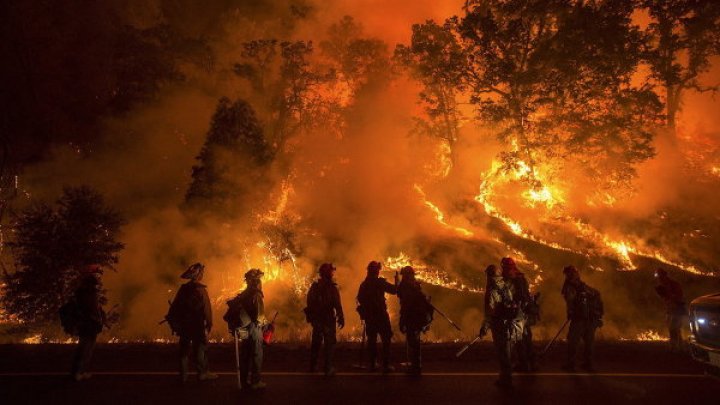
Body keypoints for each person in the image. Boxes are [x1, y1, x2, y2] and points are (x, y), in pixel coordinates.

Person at [166, 262, 218, 383]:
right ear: (198, 275)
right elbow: (207, 310)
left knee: (184, 350)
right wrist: (209, 324)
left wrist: (174, 321)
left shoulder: (183, 289)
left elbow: (175, 306)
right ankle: (202, 373)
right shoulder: (201, 290)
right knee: (200, 349)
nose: (203, 274)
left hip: (184, 325)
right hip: (197, 325)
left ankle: (183, 376)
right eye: (202, 273)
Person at [485, 264, 523, 388]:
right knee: (507, 352)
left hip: (499, 326)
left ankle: (506, 379)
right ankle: (508, 377)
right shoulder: (505, 286)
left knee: (503, 353)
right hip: (509, 325)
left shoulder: (491, 290)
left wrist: (485, 327)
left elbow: (489, 312)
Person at [356, 261, 398, 373]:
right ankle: (386, 364)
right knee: (386, 339)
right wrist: (397, 280)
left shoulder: (364, 284)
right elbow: (394, 290)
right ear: (376, 271)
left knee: (372, 340)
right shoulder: (380, 282)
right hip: (380, 315)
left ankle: (373, 363)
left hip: (370, 316)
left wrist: (366, 309)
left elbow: (359, 298)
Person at [561, 265, 603, 373]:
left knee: (573, 341)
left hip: (580, 319)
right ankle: (587, 364)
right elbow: (596, 293)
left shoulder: (570, 286)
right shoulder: (583, 286)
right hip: (591, 319)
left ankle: (571, 365)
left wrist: (570, 313)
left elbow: (570, 301)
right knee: (588, 342)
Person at [305, 263, 344, 376]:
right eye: (331, 271)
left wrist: (312, 318)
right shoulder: (332, 288)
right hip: (327, 319)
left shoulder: (315, 287)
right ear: (328, 274)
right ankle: (328, 368)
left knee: (316, 342)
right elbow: (337, 304)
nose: (333, 273)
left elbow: (309, 302)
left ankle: (313, 366)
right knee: (329, 343)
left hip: (317, 320)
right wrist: (341, 317)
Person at [501, 257, 537, 372]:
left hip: (518, 314)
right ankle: (532, 364)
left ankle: (524, 365)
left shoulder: (513, 279)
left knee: (519, 340)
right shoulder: (520, 277)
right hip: (524, 313)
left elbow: (519, 296)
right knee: (527, 339)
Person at [71, 265, 106, 381]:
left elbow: (95, 309)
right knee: (84, 348)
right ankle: (77, 372)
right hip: (87, 324)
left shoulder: (91, 293)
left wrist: (100, 319)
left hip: (92, 324)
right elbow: (87, 309)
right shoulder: (84, 293)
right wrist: (95, 319)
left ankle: (82, 371)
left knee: (88, 349)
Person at [233, 268, 266, 390]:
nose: (260, 282)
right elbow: (259, 316)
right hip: (253, 328)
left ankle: (244, 380)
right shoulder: (256, 294)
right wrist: (266, 325)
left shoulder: (244, 294)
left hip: (243, 328)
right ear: (255, 281)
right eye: (259, 280)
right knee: (257, 354)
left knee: (245, 354)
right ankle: (255, 381)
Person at [397, 266, 432, 376]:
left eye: (405, 275)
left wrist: (402, 321)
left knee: (413, 342)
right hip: (418, 319)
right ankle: (416, 365)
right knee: (415, 342)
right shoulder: (415, 286)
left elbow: (406, 306)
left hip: (412, 318)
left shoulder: (408, 288)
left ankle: (415, 367)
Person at [654, 268, 686, 351]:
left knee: (673, 327)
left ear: (664, 276)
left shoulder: (674, 284)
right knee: (675, 328)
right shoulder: (661, 286)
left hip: (678, 309)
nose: (659, 279)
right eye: (658, 277)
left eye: (660, 277)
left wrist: (671, 297)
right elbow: (665, 299)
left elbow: (679, 296)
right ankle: (680, 346)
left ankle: (674, 346)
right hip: (670, 310)